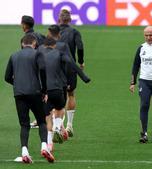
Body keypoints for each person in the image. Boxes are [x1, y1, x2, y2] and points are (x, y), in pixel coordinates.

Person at [4, 34, 54, 163]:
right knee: (42, 121)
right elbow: (42, 68)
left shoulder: (14, 56)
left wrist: (17, 84)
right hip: (35, 92)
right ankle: (44, 146)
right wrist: (44, 90)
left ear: (22, 44)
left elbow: (7, 77)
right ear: (34, 43)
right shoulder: (37, 54)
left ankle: (24, 151)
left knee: (24, 124)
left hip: (19, 94)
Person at [38, 37, 90, 150]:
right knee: (60, 108)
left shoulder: (38, 54)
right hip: (57, 89)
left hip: (44, 90)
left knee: (47, 117)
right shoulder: (59, 53)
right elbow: (72, 64)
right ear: (54, 45)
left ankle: (48, 145)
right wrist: (84, 77)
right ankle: (58, 127)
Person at [58, 9, 85, 137]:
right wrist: (81, 62)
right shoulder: (74, 32)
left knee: (56, 95)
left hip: (55, 66)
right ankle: (69, 125)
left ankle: (58, 125)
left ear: (59, 19)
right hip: (70, 66)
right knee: (71, 94)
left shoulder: (53, 31)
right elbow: (80, 47)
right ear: (70, 20)